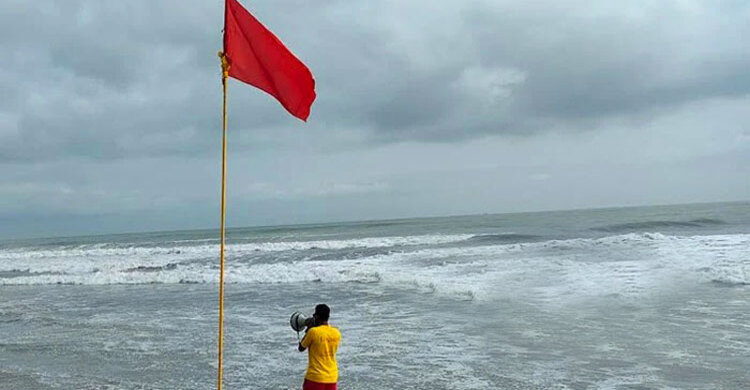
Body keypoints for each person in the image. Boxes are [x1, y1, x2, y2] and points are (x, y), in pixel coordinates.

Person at [298, 304, 341, 390]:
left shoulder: (313, 332)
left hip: (315, 377)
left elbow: (301, 347)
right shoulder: (336, 332)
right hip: (332, 377)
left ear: (317, 316)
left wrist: (308, 329)